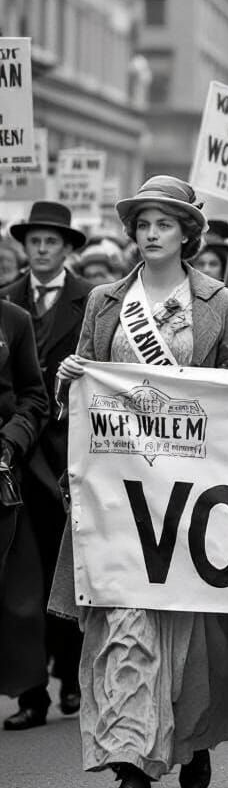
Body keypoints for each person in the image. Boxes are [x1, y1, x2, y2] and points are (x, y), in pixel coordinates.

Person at [49, 175, 228, 788]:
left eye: (165, 223)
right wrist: (69, 377)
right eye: (143, 224)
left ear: (187, 232)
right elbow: (83, 382)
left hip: (190, 484)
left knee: (187, 618)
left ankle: (190, 738)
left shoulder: (221, 303)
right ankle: (131, 761)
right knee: (124, 615)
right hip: (118, 484)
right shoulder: (106, 301)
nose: (152, 233)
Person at [0, 201, 91, 730]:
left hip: (66, 455)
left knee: (70, 568)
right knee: (22, 579)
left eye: (51, 241)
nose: (40, 248)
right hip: (14, 461)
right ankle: (32, 690)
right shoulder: (7, 302)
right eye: (33, 240)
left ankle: (73, 677)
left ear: (67, 248)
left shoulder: (91, 300)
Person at [0, 299, 52, 721]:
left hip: (4, 467)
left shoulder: (13, 318)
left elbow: (35, 397)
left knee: (18, 587)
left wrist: (11, 439)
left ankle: (32, 692)